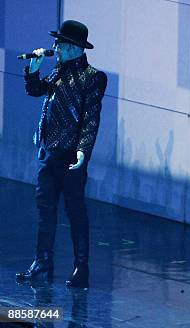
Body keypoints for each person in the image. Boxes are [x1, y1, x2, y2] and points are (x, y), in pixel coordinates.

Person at [15, 20, 107, 288]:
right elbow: (35, 91)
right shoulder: (57, 70)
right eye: (57, 43)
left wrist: (83, 151)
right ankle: (42, 262)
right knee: (45, 208)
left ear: (75, 47)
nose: (56, 47)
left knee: (75, 210)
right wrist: (32, 71)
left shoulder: (92, 77)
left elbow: (91, 117)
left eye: (61, 44)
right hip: (47, 150)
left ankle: (81, 267)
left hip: (69, 155)